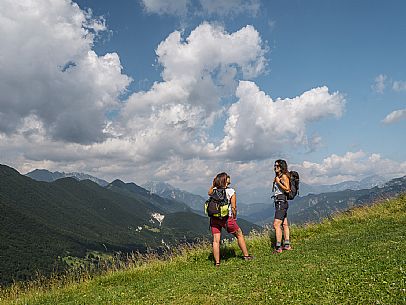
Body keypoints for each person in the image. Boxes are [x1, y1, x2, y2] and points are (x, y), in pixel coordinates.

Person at [208, 172, 253, 266]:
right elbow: (233, 207)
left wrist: (213, 184)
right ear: (225, 182)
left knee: (216, 240)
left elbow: (209, 193)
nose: (229, 183)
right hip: (226, 218)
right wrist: (234, 217)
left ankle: (217, 263)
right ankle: (246, 256)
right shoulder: (231, 191)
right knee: (239, 234)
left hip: (214, 218)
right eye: (228, 181)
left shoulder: (214, 191)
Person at [272, 159, 292, 253]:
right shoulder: (278, 176)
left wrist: (278, 182)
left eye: (277, 166)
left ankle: (278, 247)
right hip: (280, 201)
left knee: (276, 225)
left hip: (281, 201)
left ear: (281, 167)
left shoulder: (283, 176)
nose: (275, 167)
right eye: (275, 165)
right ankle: (287, 245)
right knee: (284, 224)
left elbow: (288, 189)